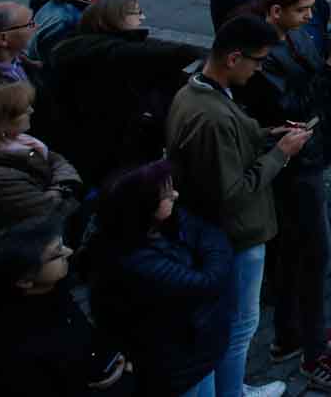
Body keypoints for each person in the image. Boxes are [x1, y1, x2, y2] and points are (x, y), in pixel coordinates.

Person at [166, 15, 312, 397]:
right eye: (258, 61)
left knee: (231, 325)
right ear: (234, 58)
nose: (260, 69)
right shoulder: (210, 114)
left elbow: (229, 148)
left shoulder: (199, 91)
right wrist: (281, 153)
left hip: (222, 230)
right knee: (238, 325)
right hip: (236, 233)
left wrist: (266, 136)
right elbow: (232, 189)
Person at [239, 0, 331, 389]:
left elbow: (313, 77)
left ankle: (293, 332)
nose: (310, 16)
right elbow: (290, 106)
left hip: (311, 151)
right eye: (302, 10)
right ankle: (313, 351)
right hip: (290, 163)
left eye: (311, 8)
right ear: (276, 11)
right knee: (312, 254)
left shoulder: (298, 34)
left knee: (303, 254)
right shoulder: (262, 55)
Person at [85, 159, 236, 397]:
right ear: (143, 205)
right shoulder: (138, 261)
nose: (175, 195)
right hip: (177, 364)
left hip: (193, 354)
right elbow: (209, 281)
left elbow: (202, 230)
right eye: (166, 194)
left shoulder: (154, 226)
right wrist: (215, 251)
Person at [35, 0, 201, 196]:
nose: (142, 18)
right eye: (137, 12)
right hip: (102, 148)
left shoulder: (82, 45)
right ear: (114, 17)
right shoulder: (107, 51)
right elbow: (172, 54)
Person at [0, 214, 139, 397]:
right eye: (57, 254)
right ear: (25, 280)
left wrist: (111, 357)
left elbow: (82, 331)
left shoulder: (52, 288)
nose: (69, 251)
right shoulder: (10, 345)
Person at [0, 80, 82, 249]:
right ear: (0, 124)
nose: (31, 110)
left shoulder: (23, 142)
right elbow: (52, 212)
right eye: (22, 110)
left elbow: (57, 160)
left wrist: (57, 187)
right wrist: (64, 188)